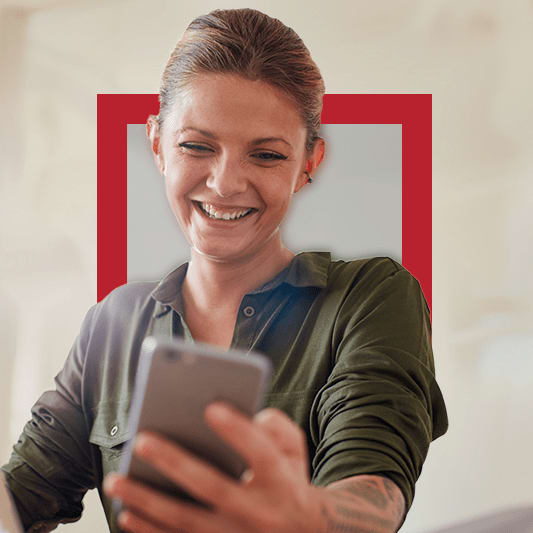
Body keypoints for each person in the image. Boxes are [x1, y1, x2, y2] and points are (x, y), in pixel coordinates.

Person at [1, 8, 447, 533]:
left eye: (265, 155)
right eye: (196, 146)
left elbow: (375, 485)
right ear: (157, 145)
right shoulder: (111, 323)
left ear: (309, 163)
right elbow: (21, 492)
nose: (225, 183)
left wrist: (307, 518)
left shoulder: (371, 298)